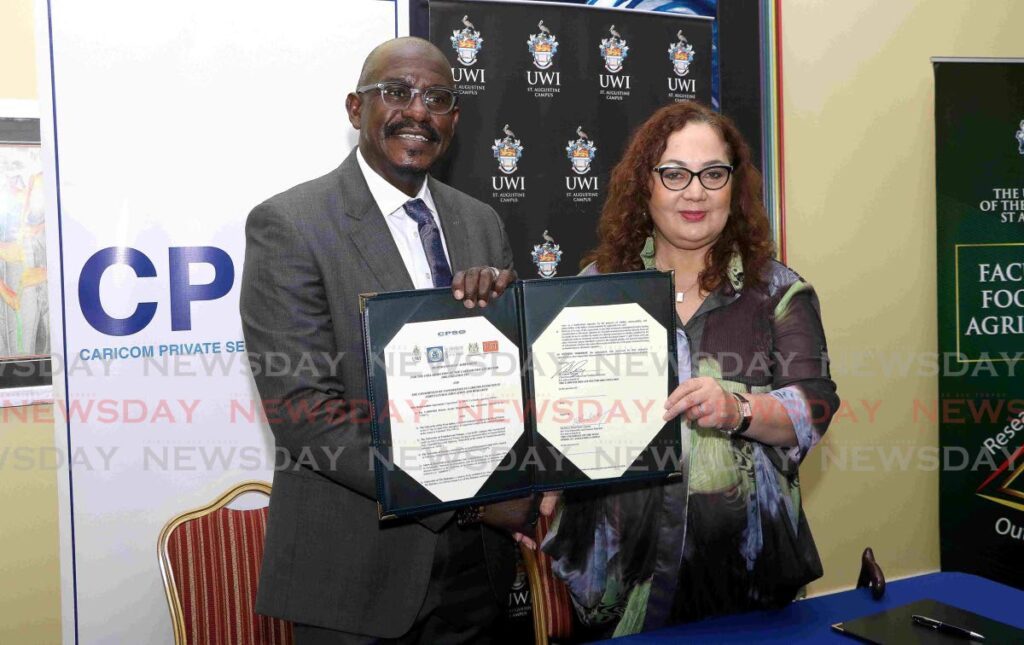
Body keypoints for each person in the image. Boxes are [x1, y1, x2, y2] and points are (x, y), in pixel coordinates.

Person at [240, 37, 521, 644]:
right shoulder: (290, 225)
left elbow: (511, 389)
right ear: (354, 108)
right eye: (396, 92)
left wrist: (515, 333)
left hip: (478, 575)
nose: (417, 111)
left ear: (454, 118)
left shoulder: (481, 222)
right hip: (354, 575)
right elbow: (306, 416)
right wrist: (466, 502)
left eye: (437, 98)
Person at [540, 101, 840, 638]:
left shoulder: (776, 291)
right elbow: (557, 413)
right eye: (675, 174)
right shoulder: (596, 289)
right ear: (645, 185)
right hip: (615, 586)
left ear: (734, 185)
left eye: (713, 174)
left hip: (747, 585)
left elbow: (815, 406)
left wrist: (738, 408)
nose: (695, 192)